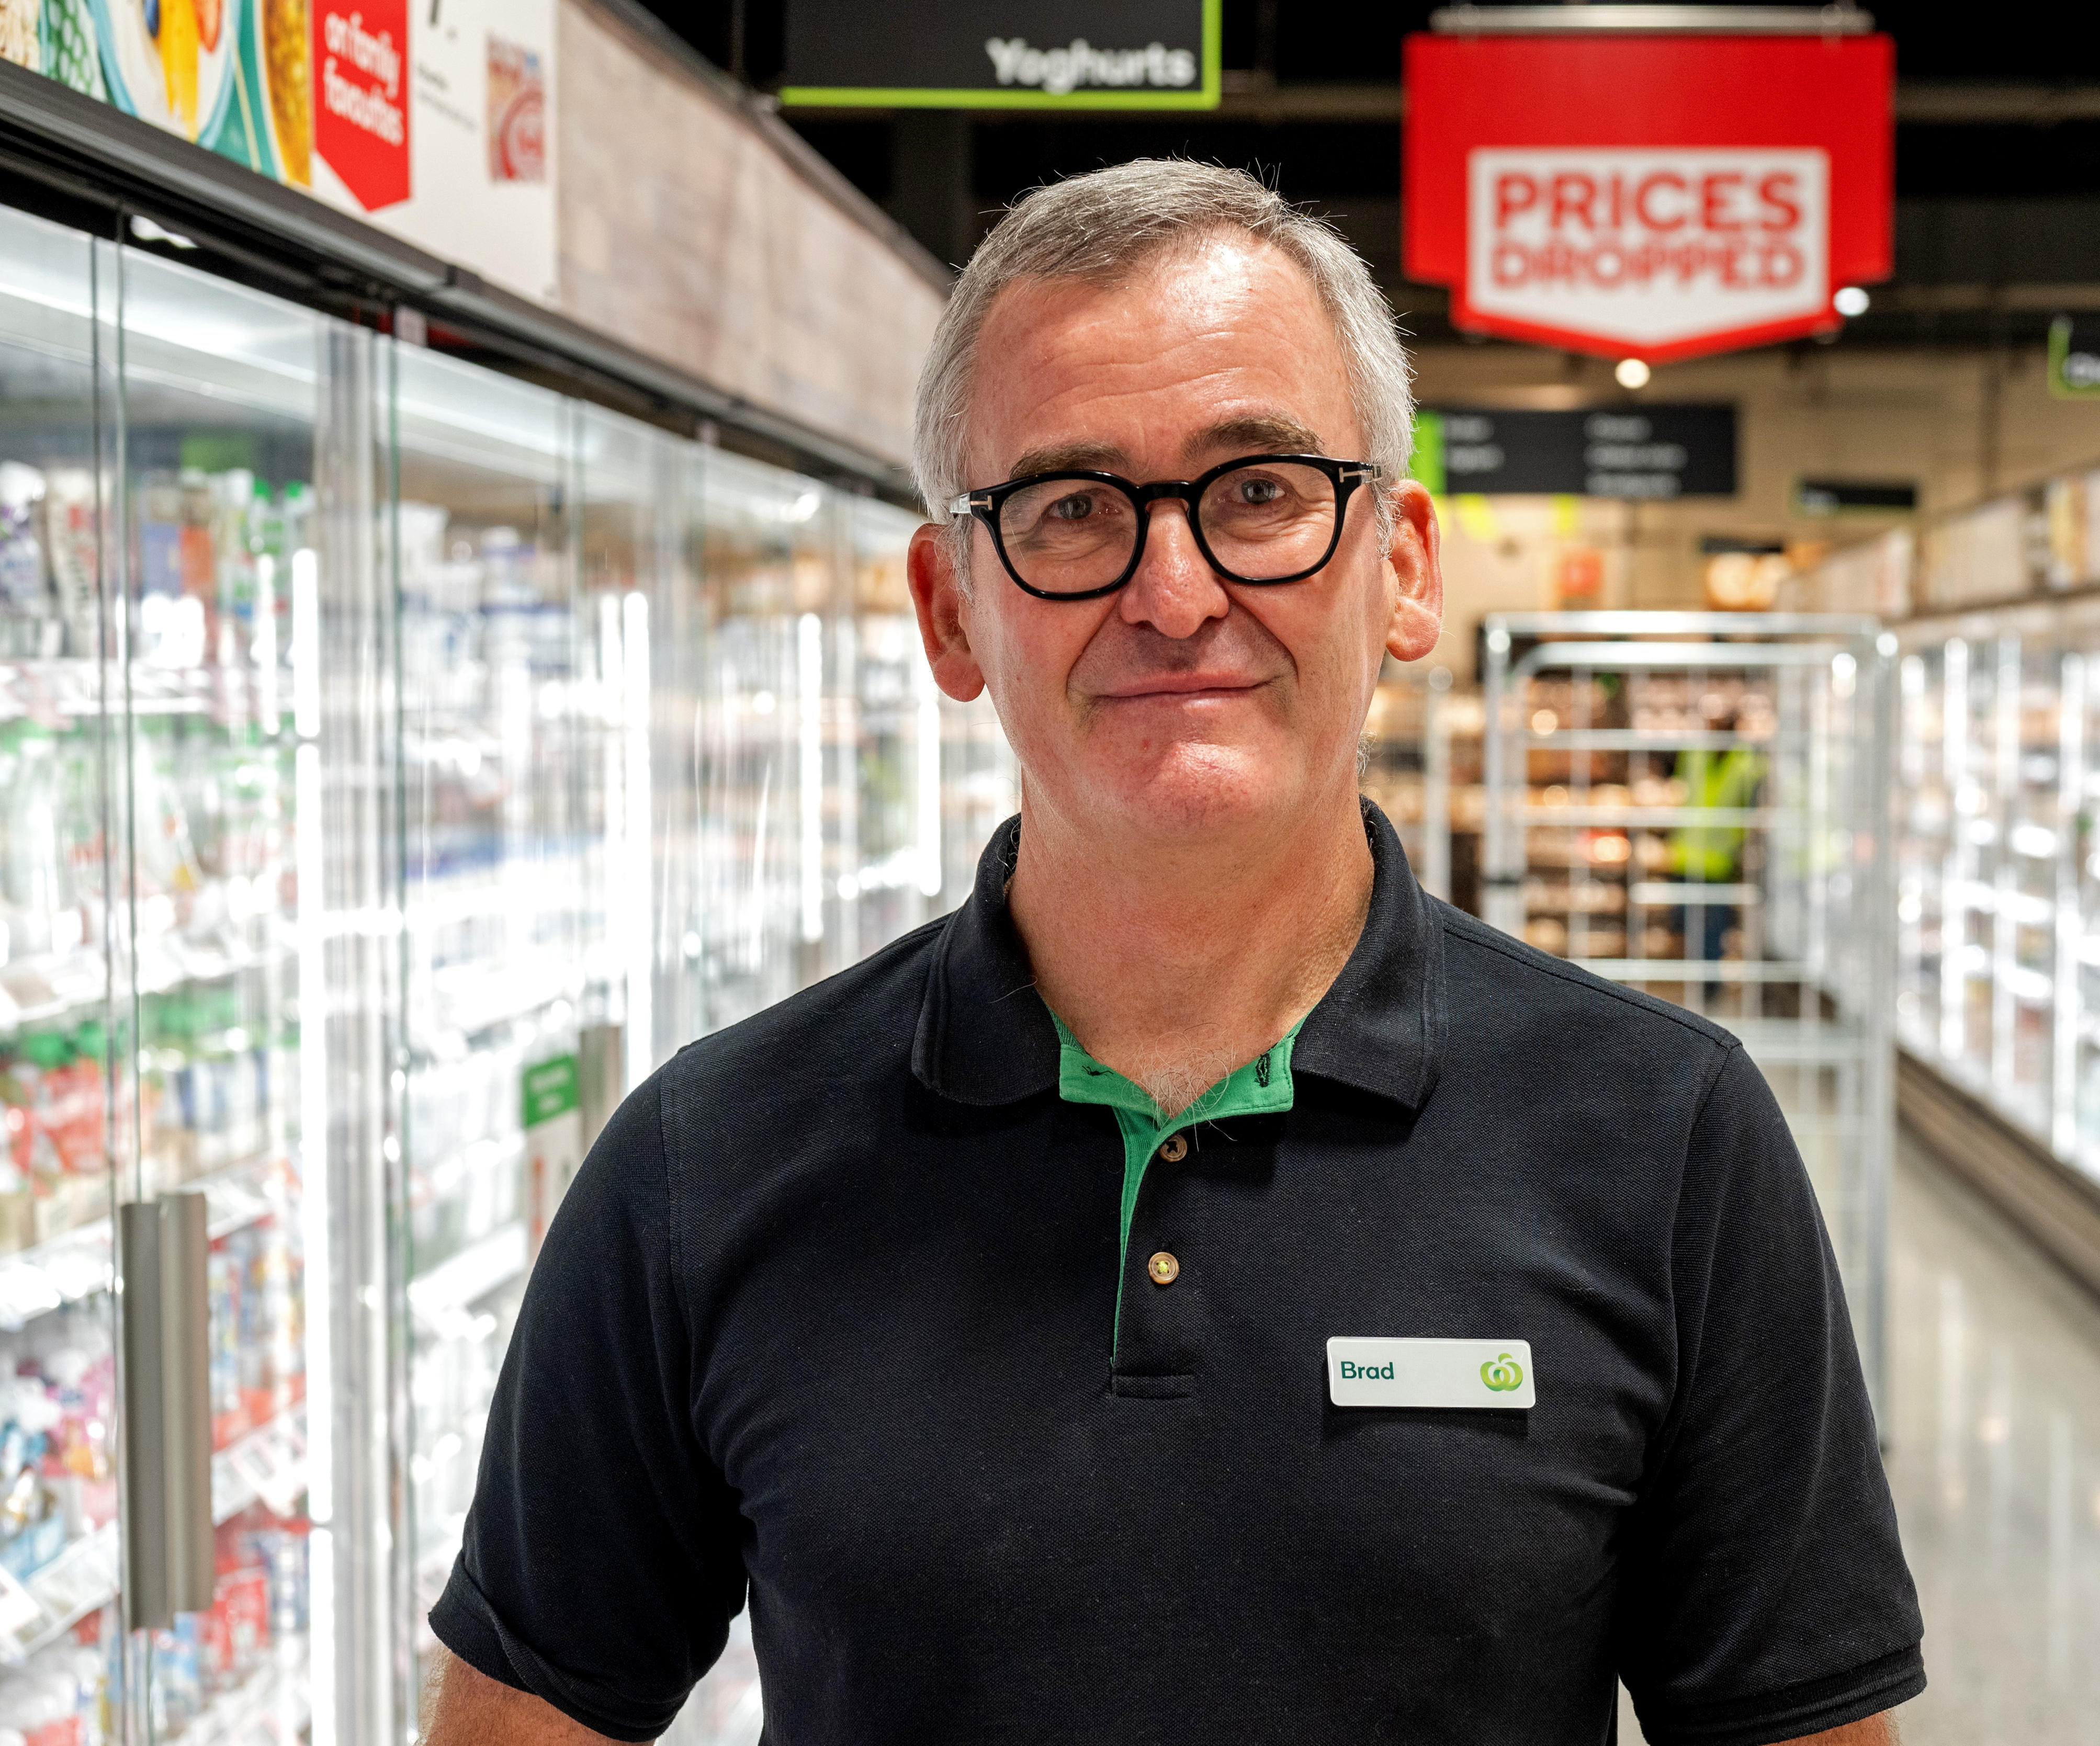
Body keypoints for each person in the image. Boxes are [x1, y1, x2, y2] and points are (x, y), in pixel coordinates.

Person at [420, 159, 1923, 1745]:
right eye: (1071, 509)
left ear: (1402, 566)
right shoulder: (703, 1162)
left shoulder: (1667, 1141)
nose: (1174, 589)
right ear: (950, 610)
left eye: (1261, 491)